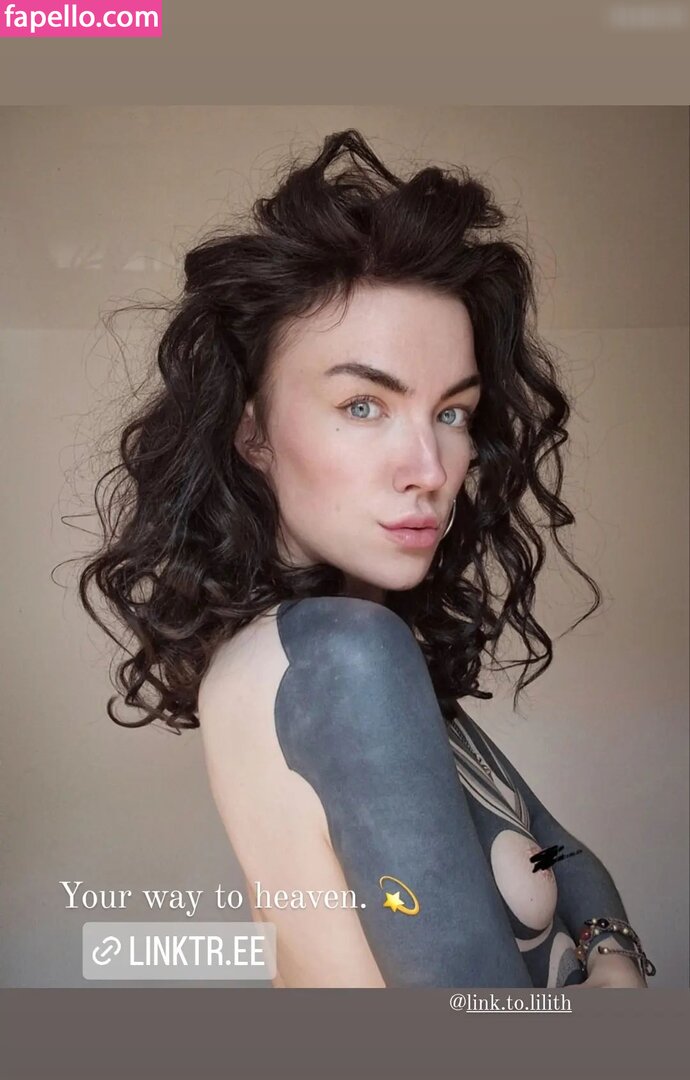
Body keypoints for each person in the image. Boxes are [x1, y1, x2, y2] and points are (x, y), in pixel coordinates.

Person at [75, 129, 655, 989]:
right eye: (362, 405)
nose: (430, 470)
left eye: (452, 414)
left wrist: (606, 946)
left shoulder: (352, 656)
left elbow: (562, 851)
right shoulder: (347, 657)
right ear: (253, 434)